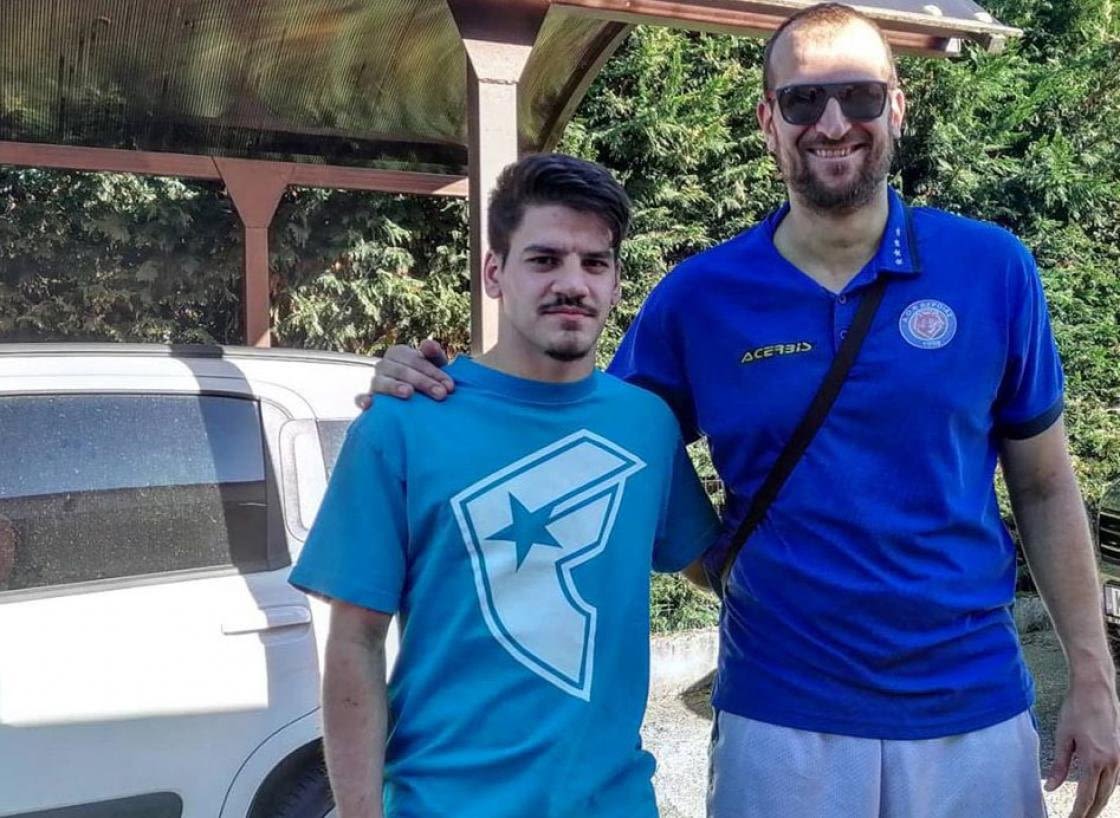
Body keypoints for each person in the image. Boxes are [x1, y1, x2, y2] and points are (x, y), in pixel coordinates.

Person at [365, 5, 1120, 818]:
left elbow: (1045, 486)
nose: (833, 123)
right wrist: (446, 390)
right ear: (768, 121)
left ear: (896, 108)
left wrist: (1092, 675)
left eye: (860, 96)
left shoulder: (993, 269)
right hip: (779, 717)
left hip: (970, 711)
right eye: (803, 100)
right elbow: (583, 430)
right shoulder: (701, 297)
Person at [290, 153, 720, 818]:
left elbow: (714, 569)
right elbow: (354, 642)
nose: (572, 283)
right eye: (544, 260)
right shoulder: (403, 423)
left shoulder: (647, 427)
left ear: (615, 282)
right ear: (494, 271)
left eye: (594, 263)